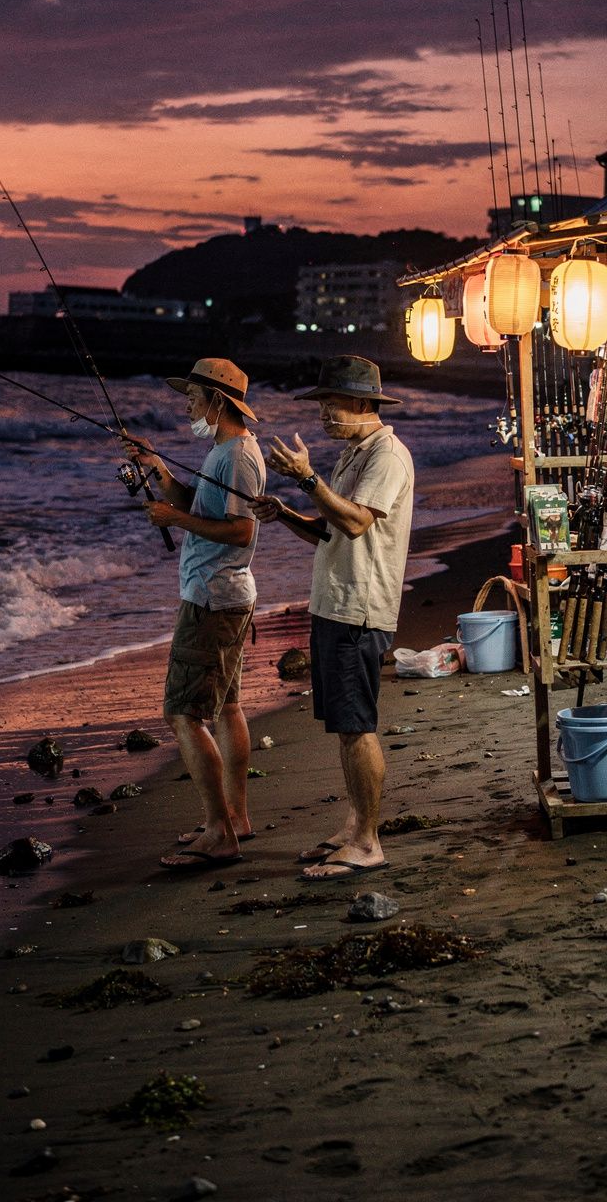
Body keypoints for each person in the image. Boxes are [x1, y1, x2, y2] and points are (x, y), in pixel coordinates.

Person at [252, 355, 414, 880]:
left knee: (357, 726)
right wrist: (288, 514)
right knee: (345, 728)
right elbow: (329, 530)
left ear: (365, 405)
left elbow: (357, 522)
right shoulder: (352, 455)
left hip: (360, 609)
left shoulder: (386, 456)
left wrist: (306, 478)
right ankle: (353, 825)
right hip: (334, 603)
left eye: (333, 404)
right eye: (321, 404)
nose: (324, 415)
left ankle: (368, 842)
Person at [125, 357, 265, 871]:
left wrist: (173, 519)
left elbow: (242, 530)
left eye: (192, 398)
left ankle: (218, 832)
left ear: (217, 402)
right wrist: (158, 467)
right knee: (226, 706)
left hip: (213, 600)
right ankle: (236, 818)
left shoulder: (239, 457)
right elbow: (201, 508)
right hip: (221, 597)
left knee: (184, 713)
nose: (186, 406)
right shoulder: (223, 452)